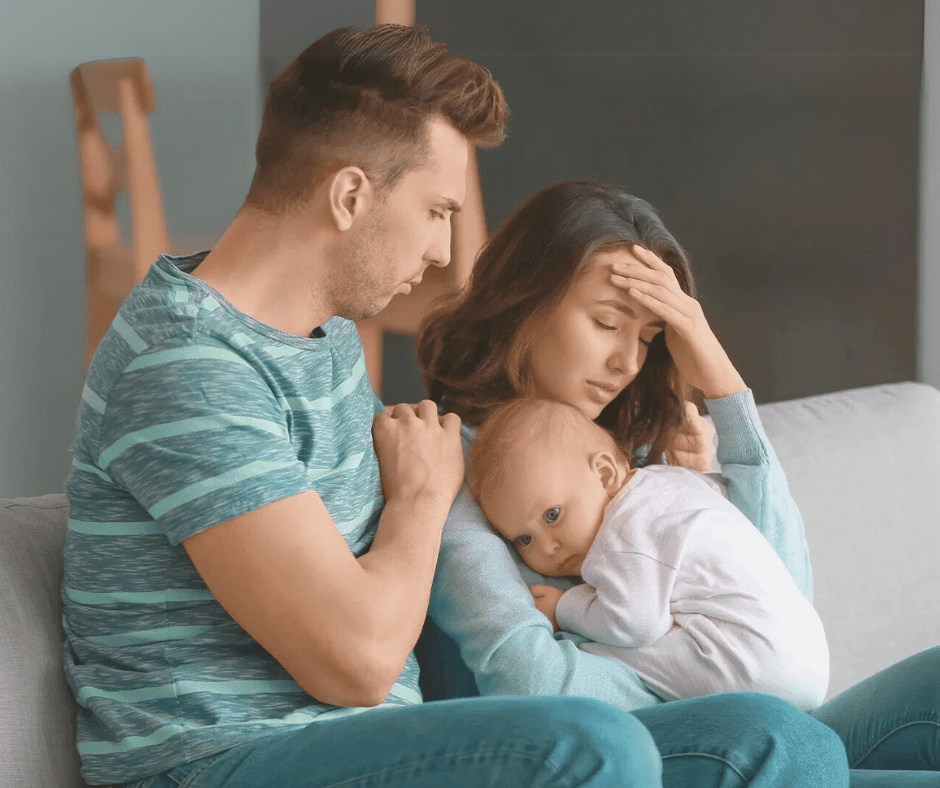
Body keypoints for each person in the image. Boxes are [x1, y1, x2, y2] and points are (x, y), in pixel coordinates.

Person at [62, 26, 670, 788]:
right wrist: (417, 496)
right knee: (597, 749)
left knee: (769, 737)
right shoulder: (185, 363)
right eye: (438, 210)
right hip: (217, 763)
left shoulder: (328, 337)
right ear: (351, 196)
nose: (445, 251)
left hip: (373, 747)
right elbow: (357, 661)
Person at [417, 180, 940, 787]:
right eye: (607, 322)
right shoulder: (456, 468)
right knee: (787, 741)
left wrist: (725, 397)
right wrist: (695, 679)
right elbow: (532, 679)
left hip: (764, 739)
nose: (628, 363)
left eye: (647, 338)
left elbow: (784, 612)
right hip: (643, 750)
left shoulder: (630, 468)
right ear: (521, 302)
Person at [467, 396, 830, 710]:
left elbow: (633, 623)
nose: (546, 547)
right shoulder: (670, 483)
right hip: (808, 652)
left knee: (598, 647)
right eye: (522, 540)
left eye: (552, 515)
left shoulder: (623, 527)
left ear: (605, 474)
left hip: (757, 667)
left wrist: (565, 608)